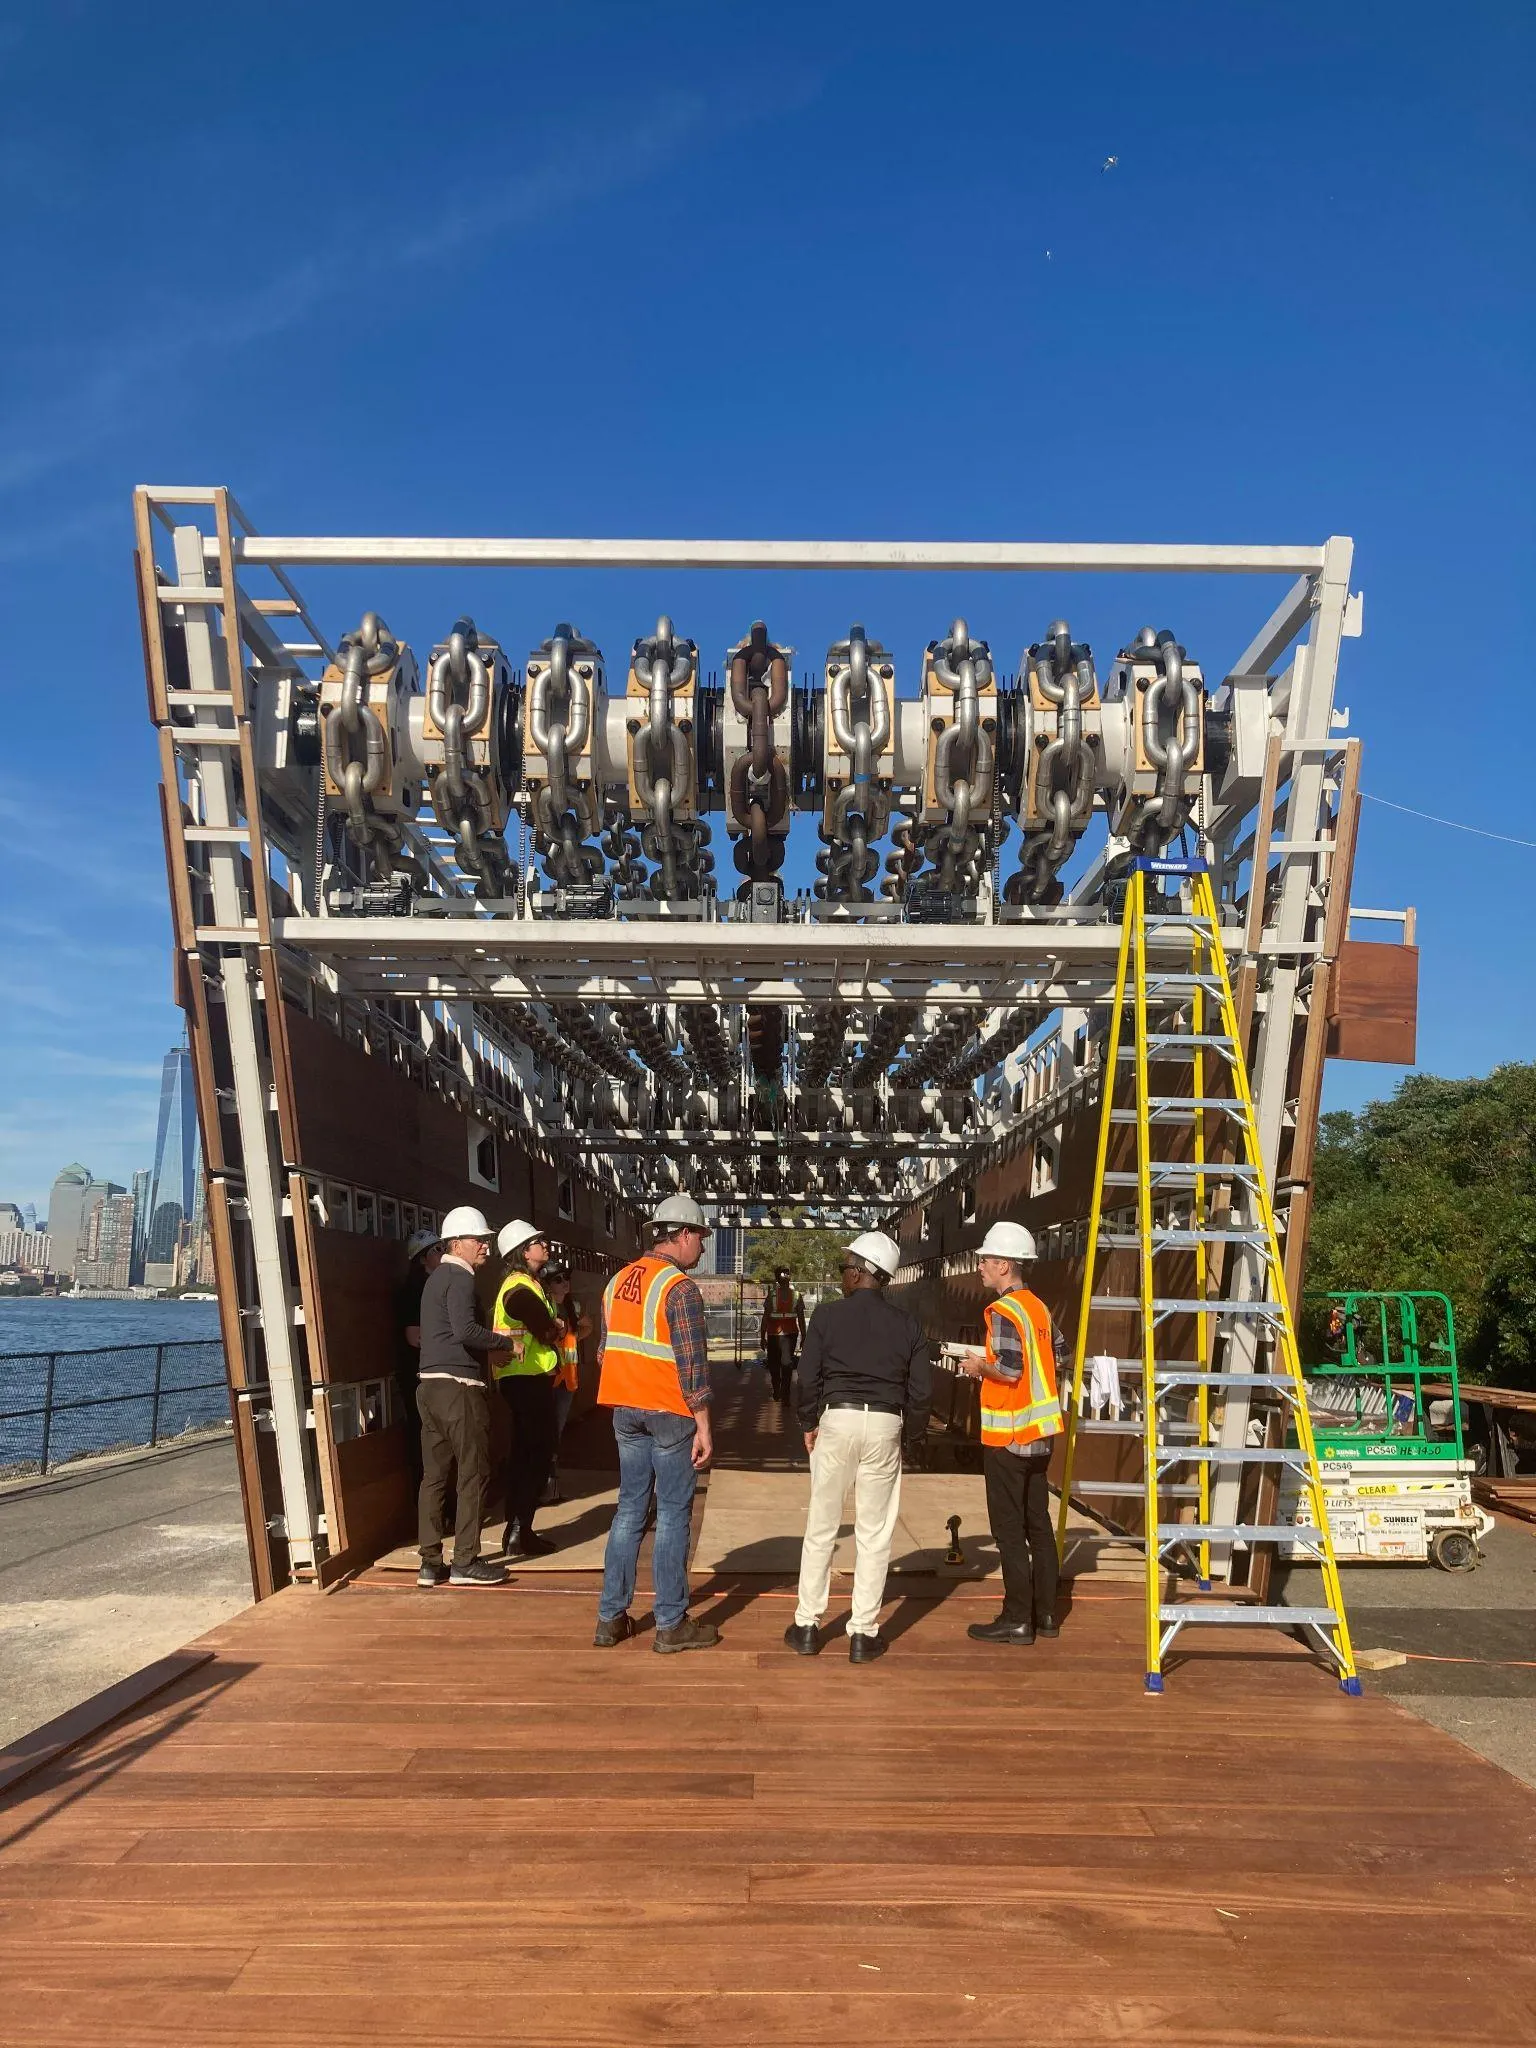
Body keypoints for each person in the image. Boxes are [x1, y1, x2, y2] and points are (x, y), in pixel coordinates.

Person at [785, 1230, 932, 1665]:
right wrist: (912, 1438)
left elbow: (807, 1376)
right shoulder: (907, 1324)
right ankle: (864, 1634)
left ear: (860, 1273)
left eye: (844, 1267)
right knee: (875, 1533)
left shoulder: (827, 1317)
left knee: (821, 1527)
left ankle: (807, 1626)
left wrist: (808, 1421)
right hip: (886, 1423)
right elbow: (921, 1391)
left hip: (838, 1419)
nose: (841, 1274)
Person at [593, 1194, 719, 1654]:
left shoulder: (617, 1281)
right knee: (671, 1514)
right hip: (668, 1411)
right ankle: (670, 1624)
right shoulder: (679, 1289)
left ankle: (610, 1619)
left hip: (625, 1411)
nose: (702, 1247)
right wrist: (704, 1426)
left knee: (629, 1510)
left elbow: (604, 1352)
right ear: (683, 1234)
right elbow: (692, 1366)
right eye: (701, 1237)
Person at [954, 1221, 1065, 1645]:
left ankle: (1017, 1618)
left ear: (1004, 1265)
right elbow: (1060, 1353)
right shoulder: (1037, 1308)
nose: (980, 1266)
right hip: (1040, 1434)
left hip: (1010, 1435)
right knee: (1038, 1524)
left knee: (1008, 1529)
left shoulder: (1003, 1311)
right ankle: (1046, 1613)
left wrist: (979, 1366)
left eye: (985, 1260)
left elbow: (1010, 1369)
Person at [416, 1205, 515, 1589]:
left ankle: (430, 1564)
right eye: (479, 1239)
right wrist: (504, 1343)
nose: (486, 1246)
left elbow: (448, 1332)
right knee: (473, 1473)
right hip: (459, 1389)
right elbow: (465, 1330)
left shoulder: (435, 1279)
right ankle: (466, 1561)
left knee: (435, 1476)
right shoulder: (460, 1277)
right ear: (456, 1244)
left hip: (430, 1388)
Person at [492, 1219, 564, 1558]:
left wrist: (552, 1326)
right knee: (535, 1455)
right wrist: (556, 1327)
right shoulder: (519, 1287)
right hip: (526, 1380)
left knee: (527, 1455)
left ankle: (518, 1531)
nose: (545, 1246)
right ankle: (520, 1532)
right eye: (538, 1242)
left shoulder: (529, 1284)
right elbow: (546, 1330)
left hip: (525, 1380)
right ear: (523, 1252)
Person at [394, 1227, 441, 1489]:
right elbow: (415, 1337)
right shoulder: (415, 1290)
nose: (443, 1253)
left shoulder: (434, 1286)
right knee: (425, 1436)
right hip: (419, 1376)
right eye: (437, 1249)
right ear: (422, 1258)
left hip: (431, 1373)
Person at [543, 1263, 591, 1503]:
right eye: (558, 1279)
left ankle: (551, 1486)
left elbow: (588, 1326)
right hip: (547, 1377)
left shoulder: (573, 1306)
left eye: (566, 1278)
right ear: (548, 1284)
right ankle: (546, 1485)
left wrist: (573, 1336)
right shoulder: (544, 1305)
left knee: (556, 1432)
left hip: (566, 1379)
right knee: (546, 1433)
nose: (564, 1283)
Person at [759, 1265, 806, 1405]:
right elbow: (766, 1317)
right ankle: (778, 1391)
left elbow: (801, 1317)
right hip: (776, 1334)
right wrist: (762, 1337)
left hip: (787, 1335)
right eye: (784, 1274)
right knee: (776, 1364)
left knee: (785, 1364)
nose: (786, 1276)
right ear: (778, 1278)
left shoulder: (795, 1295)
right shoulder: (773, 1295)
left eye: (787, 1274)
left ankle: (784, 1393)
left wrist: (804, 1336)